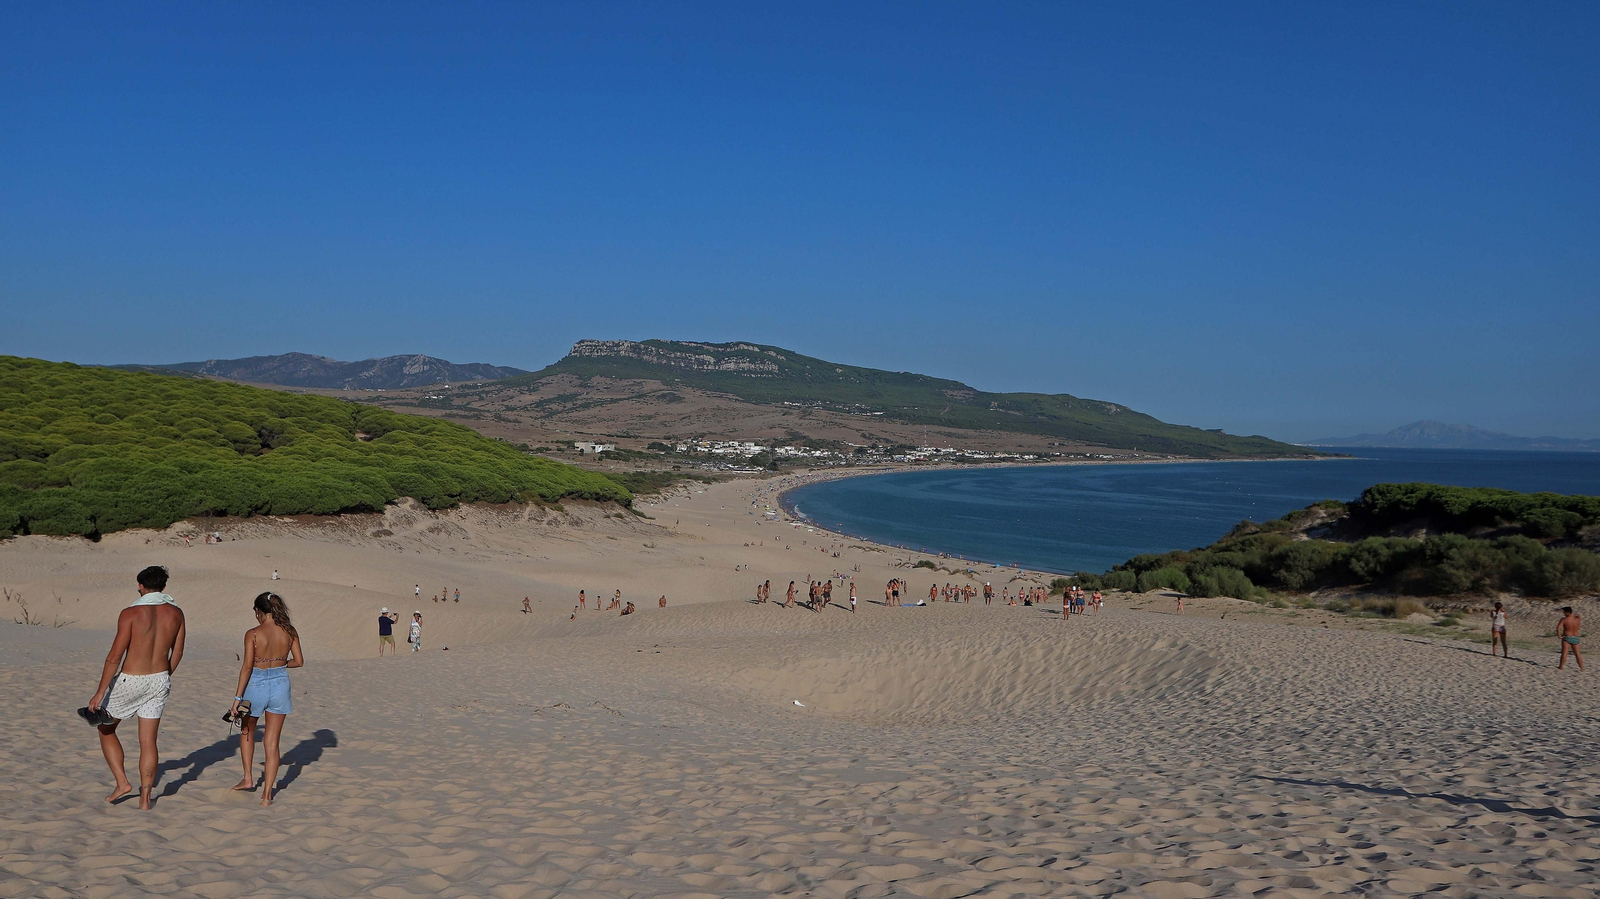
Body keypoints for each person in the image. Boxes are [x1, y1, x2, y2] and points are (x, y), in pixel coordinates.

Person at [86, 565, 186, 809]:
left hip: (131, 679)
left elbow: (114, 656)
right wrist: (165, 675)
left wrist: (100, 692)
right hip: (159, 677)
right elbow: (179, 651)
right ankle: (145, 799)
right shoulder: (176, 613)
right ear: (163, 586)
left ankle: (122, 783)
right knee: (148, 741)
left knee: (105, 728)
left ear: (141, 586)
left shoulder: (130, 613)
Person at [229, 592, 304, 806]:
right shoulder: (289, 631)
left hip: (256, 685)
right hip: (280, 684)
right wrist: (279, 664)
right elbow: (298, 662)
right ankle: (267, 794)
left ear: (258, 611)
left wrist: (237, 698)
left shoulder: (253, 633)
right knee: (272, 743)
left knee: (247, 730)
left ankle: (248, 777)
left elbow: (246, 667)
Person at [1556, 607, 1583, 671]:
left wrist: (1559, 635)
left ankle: (1560, 667)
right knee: (1577, 653)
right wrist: (1574, 615)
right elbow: (1578, 616)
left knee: (1565, 653)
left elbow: (1558, 628)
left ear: (1567, 612)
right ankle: (1582, 668)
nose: (1563, 613)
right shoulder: (1577, 619)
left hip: (1567, 637)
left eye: (1564, 612)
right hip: (1575, 637)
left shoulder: (1564, 619)